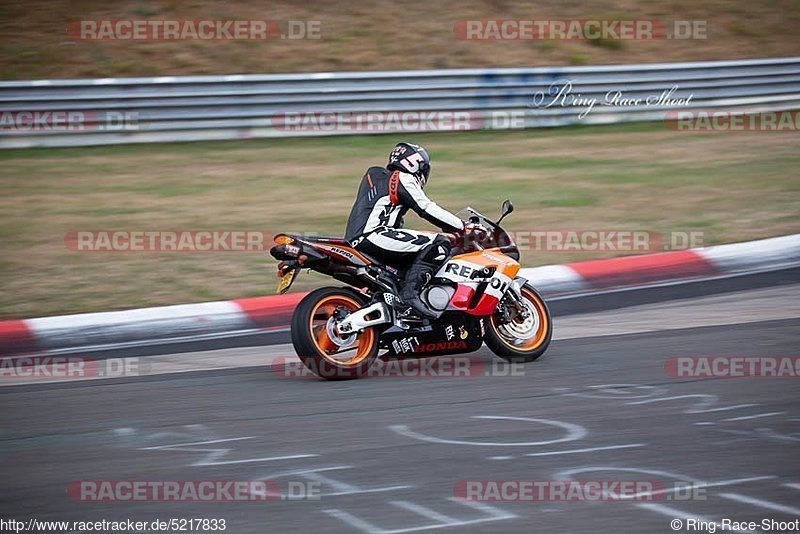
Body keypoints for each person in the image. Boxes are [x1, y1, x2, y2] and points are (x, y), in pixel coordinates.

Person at [344, 142, 486, 318]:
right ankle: (410, 296)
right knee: (439, 243)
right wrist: (462, 226)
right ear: (416, 164)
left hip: (359, 238)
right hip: (373, 235)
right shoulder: (402, 177)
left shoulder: (377, 176)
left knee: (421, 246)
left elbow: (391, 220)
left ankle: (393, 299)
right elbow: (426, 208)